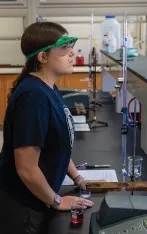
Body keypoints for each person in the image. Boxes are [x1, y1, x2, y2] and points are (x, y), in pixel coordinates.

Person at [0, 22, 94, 234]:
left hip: (38, 197)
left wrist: (77, 177)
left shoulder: (48, 87)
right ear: (42, 57)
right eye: (63, 48)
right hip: (24, 209)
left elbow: (57, 145)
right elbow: (27, 168)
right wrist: (57, 200)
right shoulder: (34, 97)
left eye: (71, 47)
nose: (71, 53)